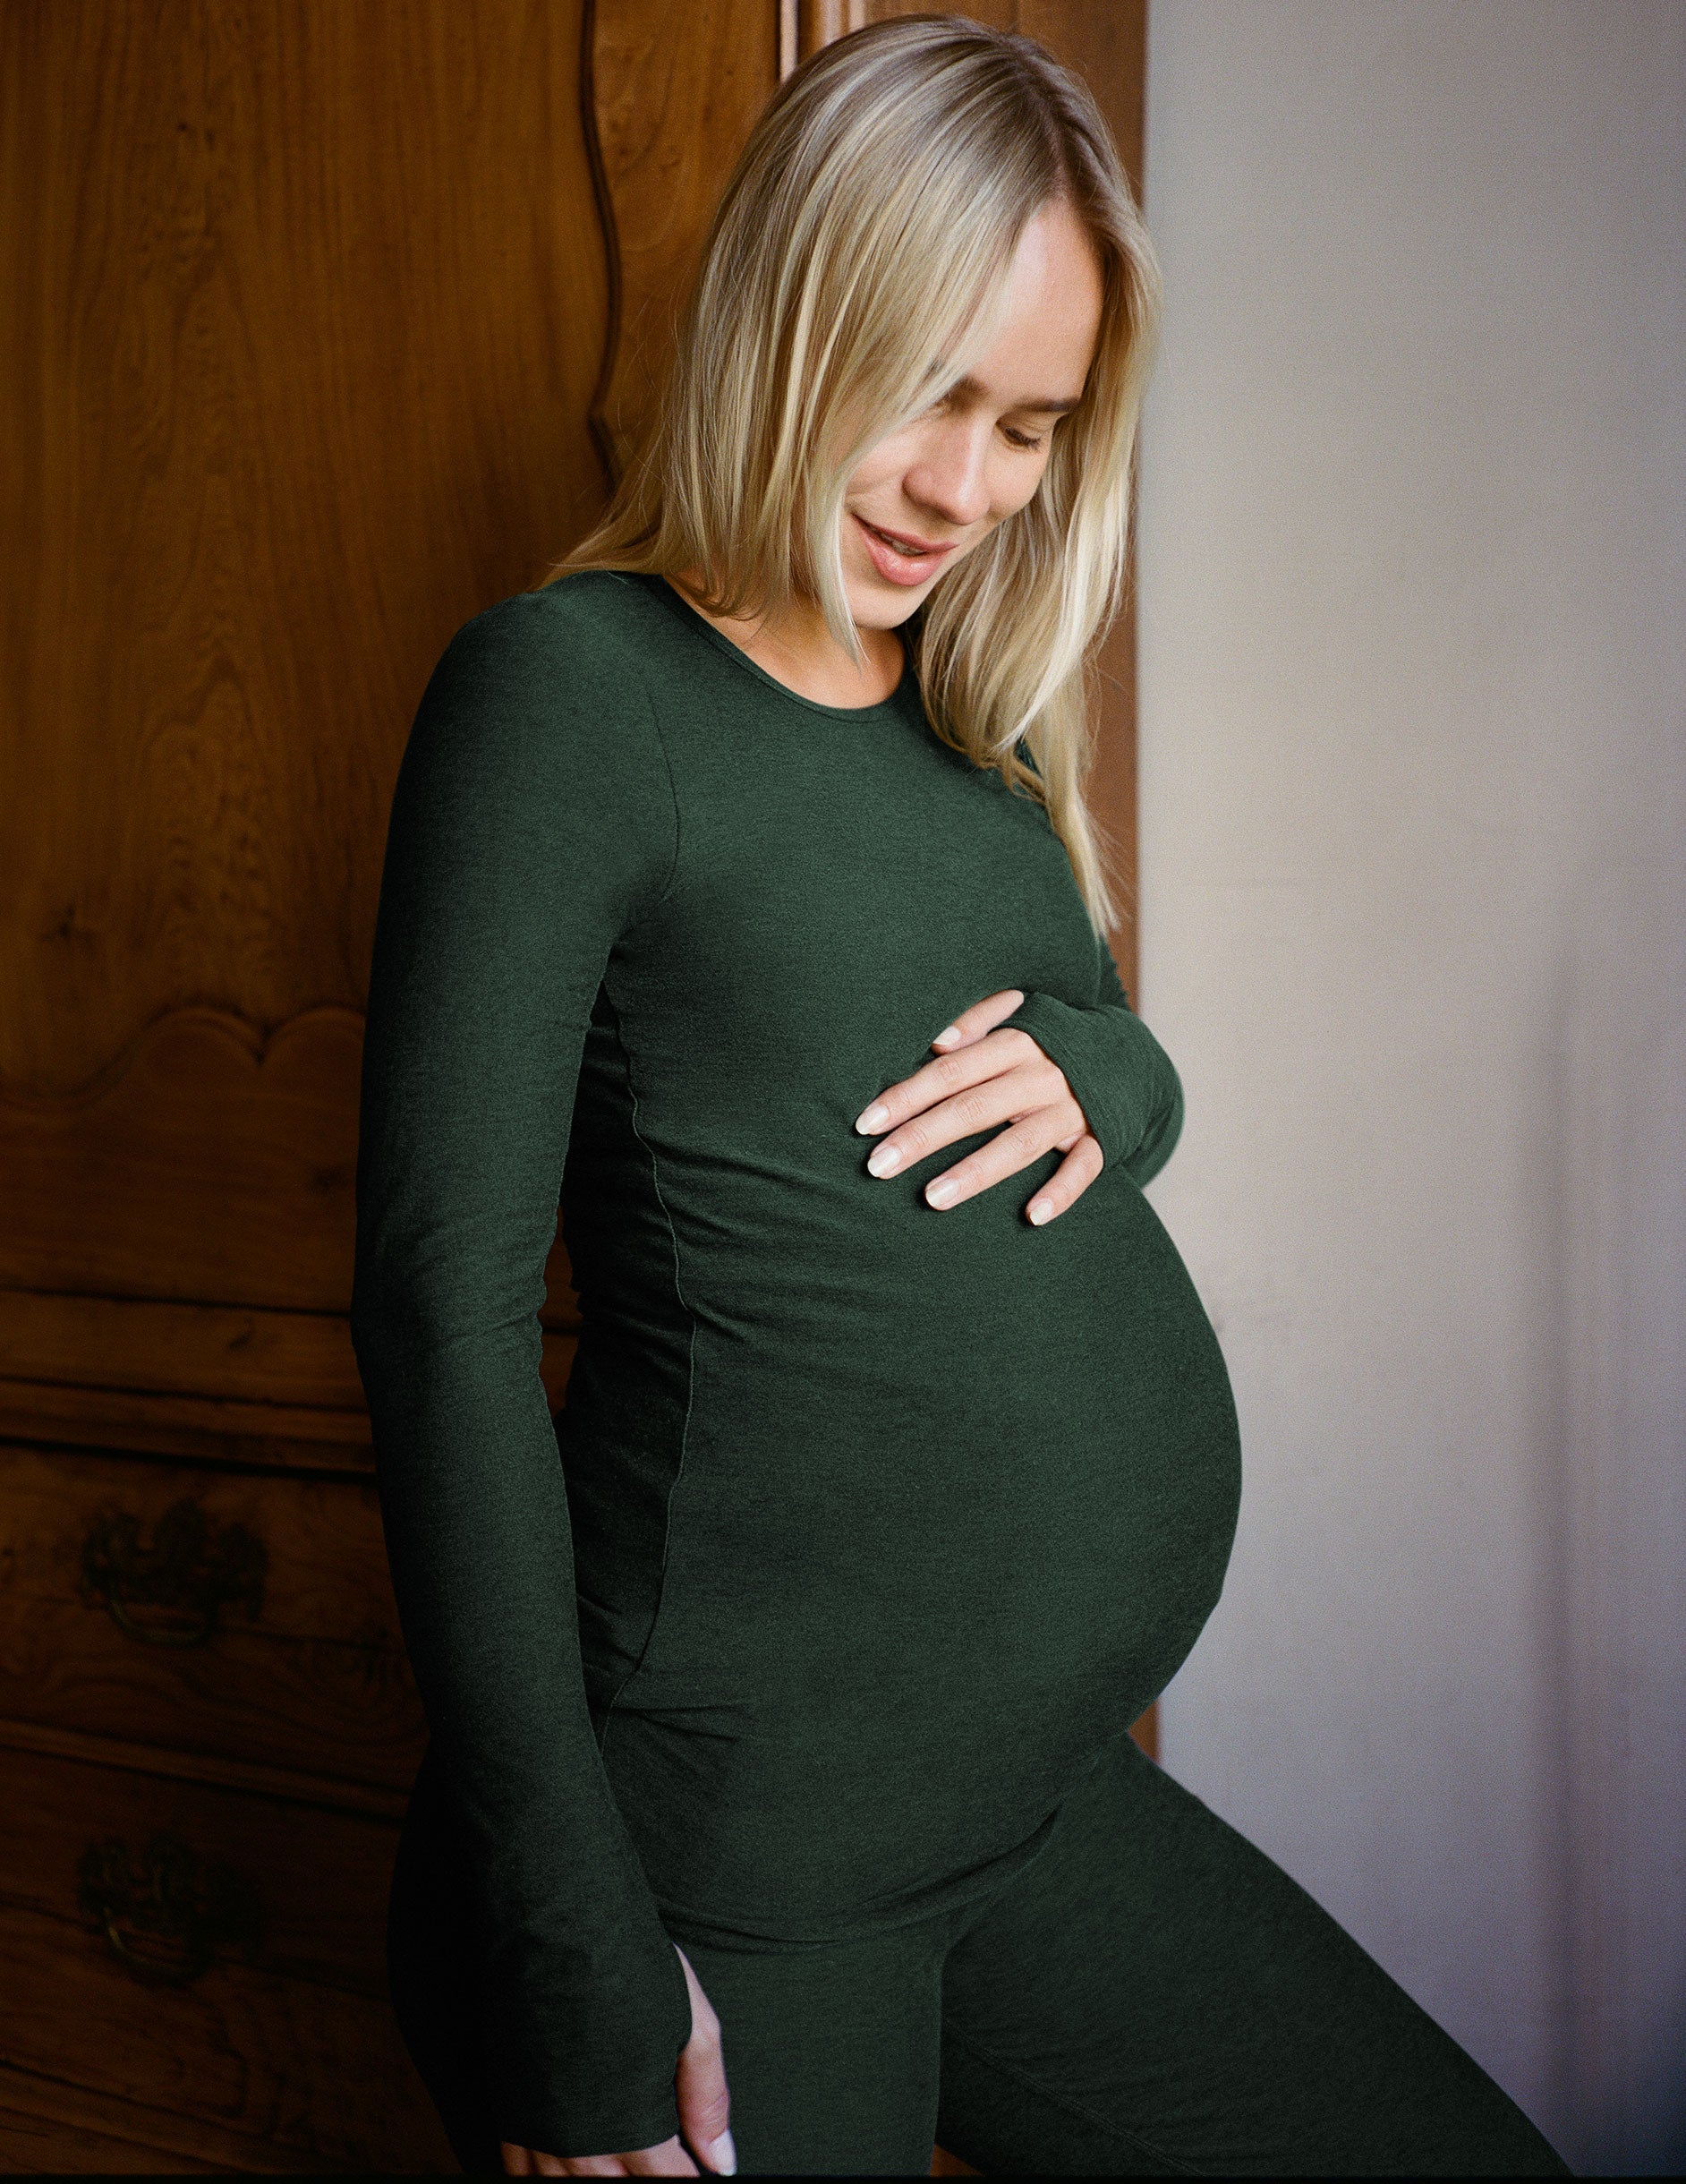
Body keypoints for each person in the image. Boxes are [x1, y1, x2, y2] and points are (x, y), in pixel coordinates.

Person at [351, 17, 1570, 2178]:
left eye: (1030, 425)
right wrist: (570, 1949)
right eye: (927, 391)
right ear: (786, 317)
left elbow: (1083, 1054)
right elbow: (438, 1313)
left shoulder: (975, 739)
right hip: (738, 1851)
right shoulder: (571, 698)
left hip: (1021, 1800)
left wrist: (1126, 1069)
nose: (966, 486)